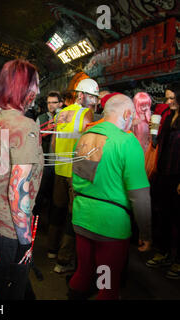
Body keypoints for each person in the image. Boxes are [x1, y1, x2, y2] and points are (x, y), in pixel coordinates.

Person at [68, 93, 152, 300]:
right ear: (126, 113)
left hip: (81, 218)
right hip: (110, 226)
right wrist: (145, 233)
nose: (132, 121)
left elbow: (76, 179)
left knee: (83, 271)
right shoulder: (127, 142)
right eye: (131, 116)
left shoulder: (85, 137)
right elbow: (139, 195)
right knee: (106, 283)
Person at [0, 59, 43, 299]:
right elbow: (17, 192)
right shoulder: (25, 126)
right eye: (35, 84)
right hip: (9, 232)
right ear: (23, 87)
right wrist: (25, 242)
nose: (37, 90)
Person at [47, 78, 96, 274]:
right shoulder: (87, 113)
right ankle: (63, 259)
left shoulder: (62, 112)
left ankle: (51, 248)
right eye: (92, 96)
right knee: (73, 213)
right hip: (76, 172)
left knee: (57, 209)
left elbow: (53, 142)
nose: (94, 101)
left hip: (60, 168)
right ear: (82, 95)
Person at [145, 84, 180, 280]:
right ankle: (163, 252)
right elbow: (160, 145)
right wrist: (154, 134)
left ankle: (178, 261)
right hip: (164, 173)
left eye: (172, 98)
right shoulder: (166, 114)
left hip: (177, 176)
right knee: (163, 215)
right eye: (166, 98)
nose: (168, 102)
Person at [33, 91, 63, 225]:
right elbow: (34, 138)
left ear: (60, 103)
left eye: (54, 102)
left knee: (55, 198)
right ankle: (34, 222)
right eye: (49, 103)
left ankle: (52, 225)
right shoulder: (41, 118)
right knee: (40, 194)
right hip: (44, 163)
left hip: (59, 163)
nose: (51, 105)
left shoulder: (65, 117)